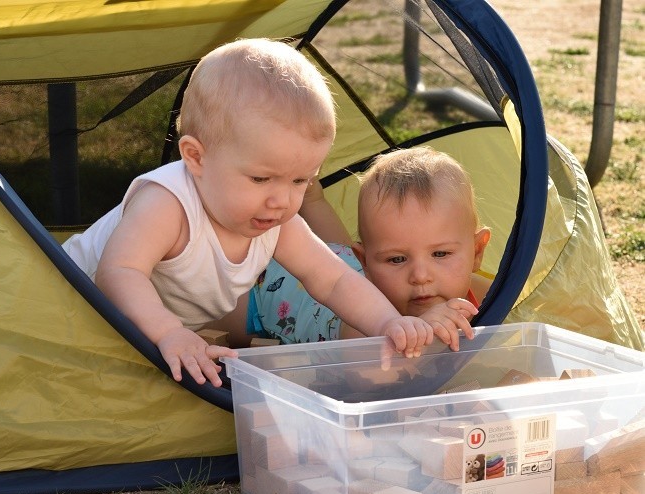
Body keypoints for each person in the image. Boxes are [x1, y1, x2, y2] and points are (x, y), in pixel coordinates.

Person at [63, 39, 443, 388]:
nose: (281, 200)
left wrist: (387, 322)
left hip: (151, 331)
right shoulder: (167, 204)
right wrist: (169, 332)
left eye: (300, 181)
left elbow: (333, 281)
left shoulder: (275, 221)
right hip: (70, 308)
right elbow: (119, 272)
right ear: (196, 157)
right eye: (261, 178)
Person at [232, 146, 491, 352]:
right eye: (397, 259)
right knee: (217, 311)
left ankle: (311, 197)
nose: (421, 275)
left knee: (337, 252)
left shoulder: (486, 294)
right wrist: (421, 331)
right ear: (365, 263)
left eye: (440, 254)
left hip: (332, 259)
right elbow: (375, 375)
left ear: (477, 252)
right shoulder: (363, 326)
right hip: (265, 285)